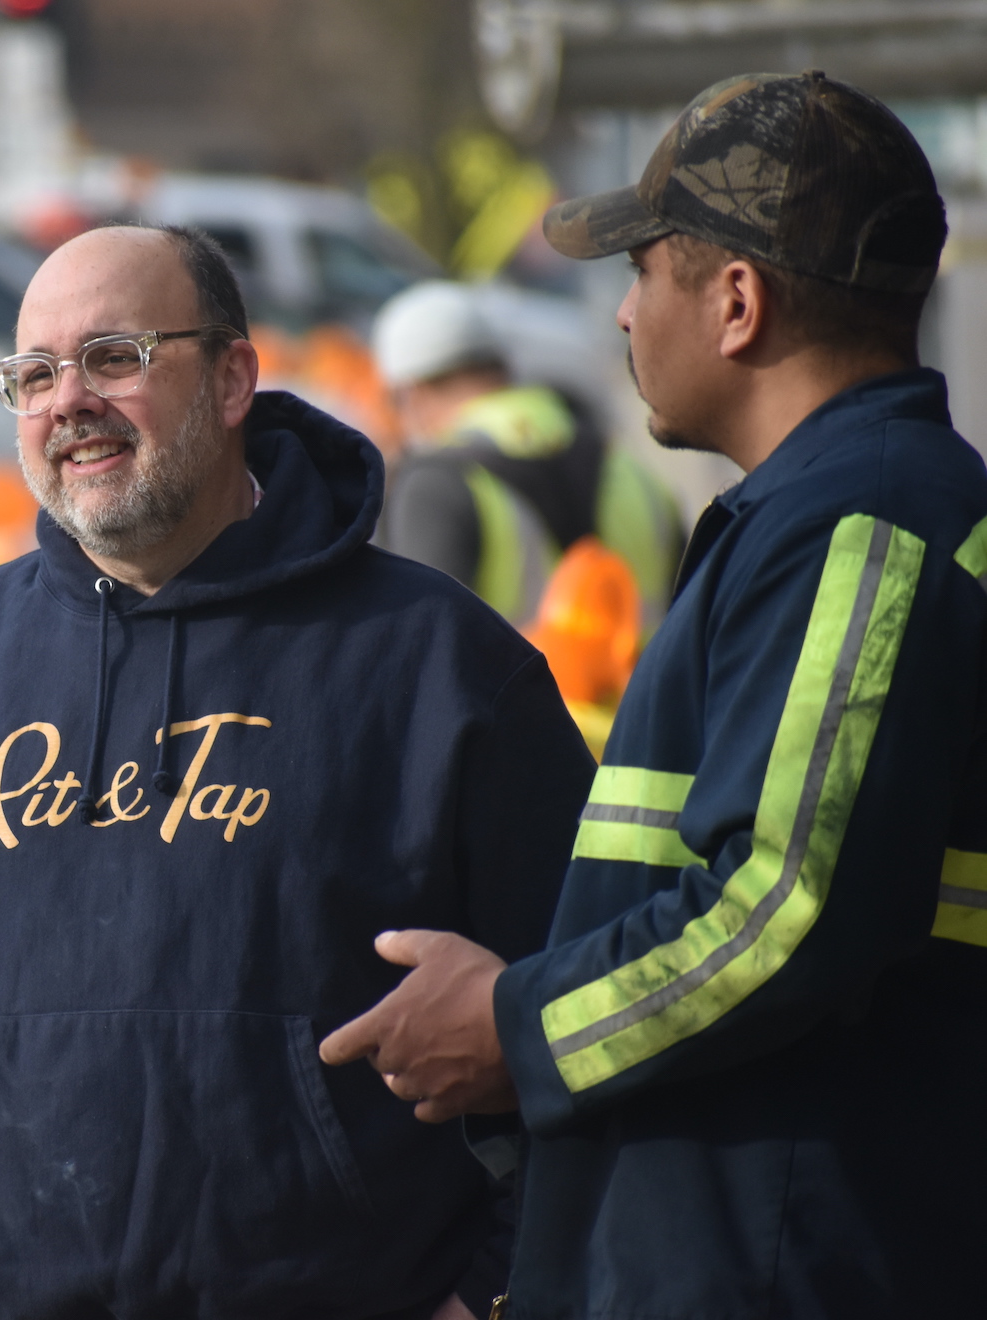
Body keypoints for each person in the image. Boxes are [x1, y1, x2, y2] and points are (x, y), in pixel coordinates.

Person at [0, 224, 596, 1320]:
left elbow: (584, 993)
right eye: (32, 375)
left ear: (233, 377)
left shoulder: (438, 668)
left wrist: (489, 1287)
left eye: (115, 357)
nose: (67, 402)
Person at [320, 71, 987, 1317]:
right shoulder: (831, 512)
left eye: (640, 275)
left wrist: (511, 1025)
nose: (622, 319)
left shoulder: (864, 521)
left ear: (737, 302)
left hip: (782, 1267)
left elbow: (781, 907)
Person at [373, 281, 682, 630]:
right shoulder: (630, 468)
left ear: (409, 394)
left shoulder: (433, 487)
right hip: (651, 684)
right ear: (500, 368)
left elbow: (423, 649)